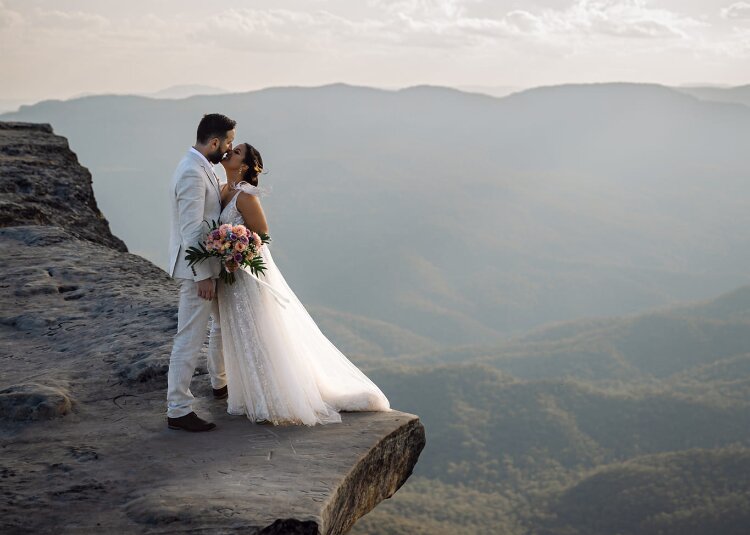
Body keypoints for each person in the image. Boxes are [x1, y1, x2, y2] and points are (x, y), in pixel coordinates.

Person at [213, 143, 391, 425]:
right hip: (231, 272)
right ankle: (250, 392)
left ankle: (273, 393)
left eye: (236, 152)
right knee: (240, 329)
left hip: (248, 272)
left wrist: (235, 248)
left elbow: (261, 235)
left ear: (244, 166)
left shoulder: (245, 197)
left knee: (260, 331)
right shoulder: (223, 189)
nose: (230, 153)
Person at [166, 113, 236, 432]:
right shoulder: (192, 172)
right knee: (189, 338)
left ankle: (220, 384)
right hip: (198, 269)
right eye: (228, 143)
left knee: (223, 325)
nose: (229, 149)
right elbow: (191, 229)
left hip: (211, 264)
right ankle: (178, 409)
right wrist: (202, 276)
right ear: (214, 142)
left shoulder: (201, 166)